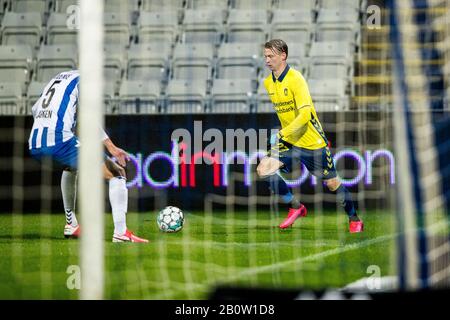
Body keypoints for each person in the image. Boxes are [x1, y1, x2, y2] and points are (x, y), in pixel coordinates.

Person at [256, 39, 364, 233]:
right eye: (265, 56)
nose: (267, 60)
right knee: (264, 169)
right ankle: (295, 206)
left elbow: (305, 115)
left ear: (283, 56)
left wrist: (281, 133)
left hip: (312, 142)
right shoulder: (268, 83)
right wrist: (284, 136)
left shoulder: (296, 79)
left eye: (271, 56)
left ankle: (354, 218)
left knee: (332, 184)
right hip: (289, 141)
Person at [28, 70, 148, 242]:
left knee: (71, 167)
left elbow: (35, 109)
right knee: (117, 172)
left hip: (35, 143)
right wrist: (112, 148)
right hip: (58, 140)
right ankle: (121, 233)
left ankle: (72, 224)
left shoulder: (58, 79)